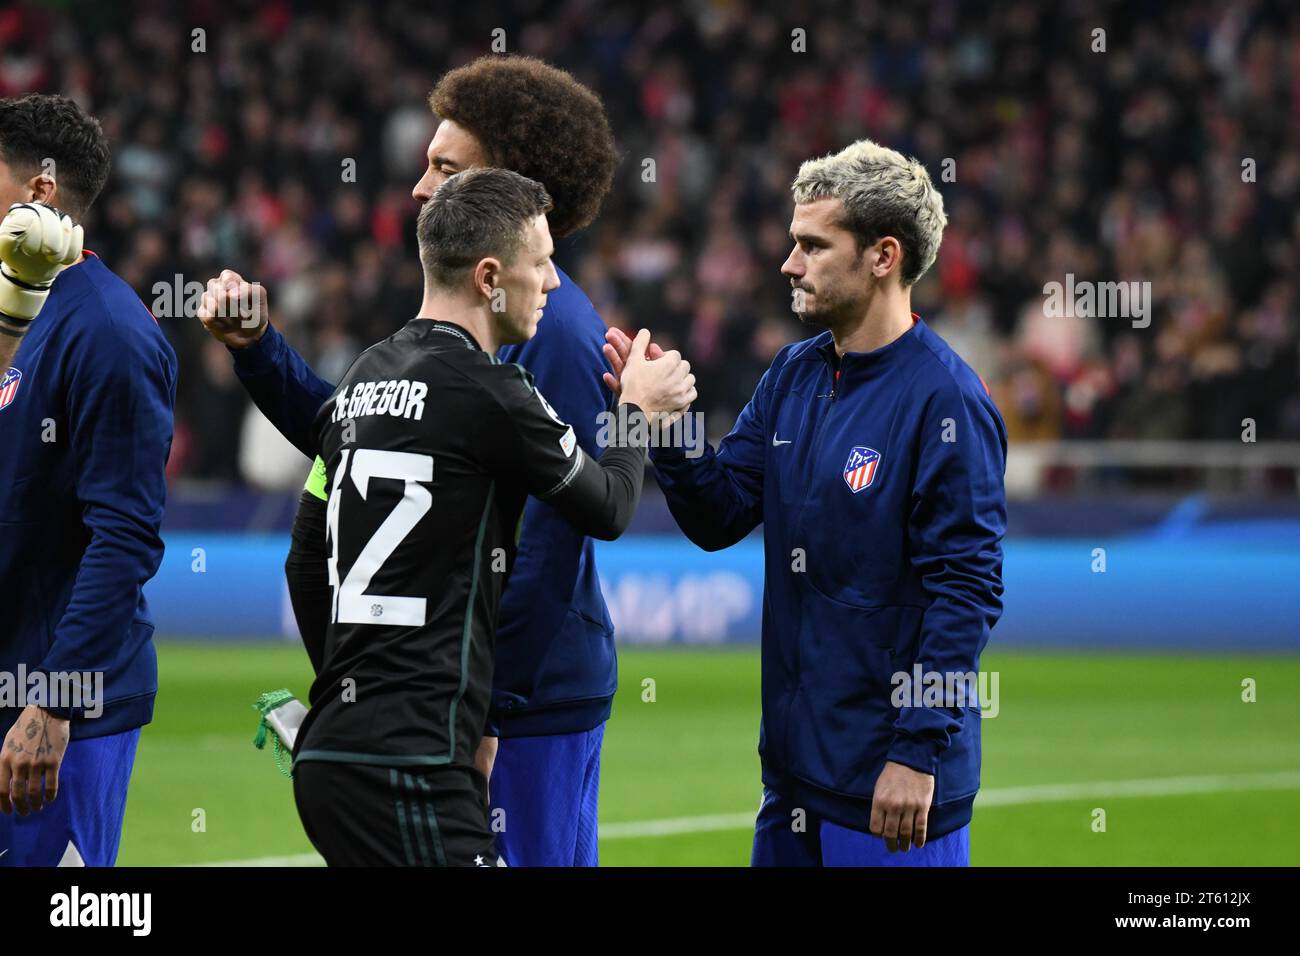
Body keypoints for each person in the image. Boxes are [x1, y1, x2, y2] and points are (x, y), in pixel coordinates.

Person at [198, 55, 631, 866]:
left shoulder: (560, 335)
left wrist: (486, 714)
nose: (419, 188)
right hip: (459, 705)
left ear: (508, 188)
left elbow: (549, 546)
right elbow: (359, 437)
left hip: (523, 709)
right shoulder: (472, 323)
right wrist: (259, 354)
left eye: (445, 167)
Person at [603, 139, 1007, 866]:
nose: (790, 264)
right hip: (792, 784)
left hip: (891, 794)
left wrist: (917, 754)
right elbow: (719, 513)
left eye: (813, 246)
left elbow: (968, 591)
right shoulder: (793, 373)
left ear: (883, 256)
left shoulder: (946, 401)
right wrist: (667, 427)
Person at [0, 94, 177, 866]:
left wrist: (54, 697)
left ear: (38, 193)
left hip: (54, 707)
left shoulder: (107, 331)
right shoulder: (14, 315)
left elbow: (126, 533)